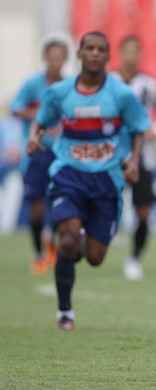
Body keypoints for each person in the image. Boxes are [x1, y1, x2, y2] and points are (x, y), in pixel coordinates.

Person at [27, 31, 150, 331]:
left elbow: (139, 128)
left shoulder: (122, 94)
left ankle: (81, 241)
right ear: (79, 53)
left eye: (100, 49)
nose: (95, 53)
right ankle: (64, 312)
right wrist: (34, 137)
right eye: (89, 48)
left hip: (106, 180)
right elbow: (41, 120)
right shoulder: (60, 92)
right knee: (66, 240)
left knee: (94, 257)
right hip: (68, 175)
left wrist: (133, 160)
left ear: (108, 57)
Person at [110, 35, 156, 281]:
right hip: (111, 155)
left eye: (135, 52)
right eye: (126, 51)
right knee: (105, 201)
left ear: (140, 55)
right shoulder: (108, 83)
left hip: (142, 156)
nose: (130, 56)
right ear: (119, 54)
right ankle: (110, 231)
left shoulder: (149, 85)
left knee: (143, 212)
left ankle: (134, 258)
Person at [11, 39, 68, 275]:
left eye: (60, 57)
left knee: (59, 206)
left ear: (66, 59)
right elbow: (14, 108)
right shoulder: (33, 84)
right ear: (45, 57)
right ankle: (38, 252)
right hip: (36, 153)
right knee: (36, 208)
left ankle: (53, 247)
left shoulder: (69, 86)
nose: (55, 61)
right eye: (51, 56)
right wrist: (39, 115)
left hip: (62, 154)